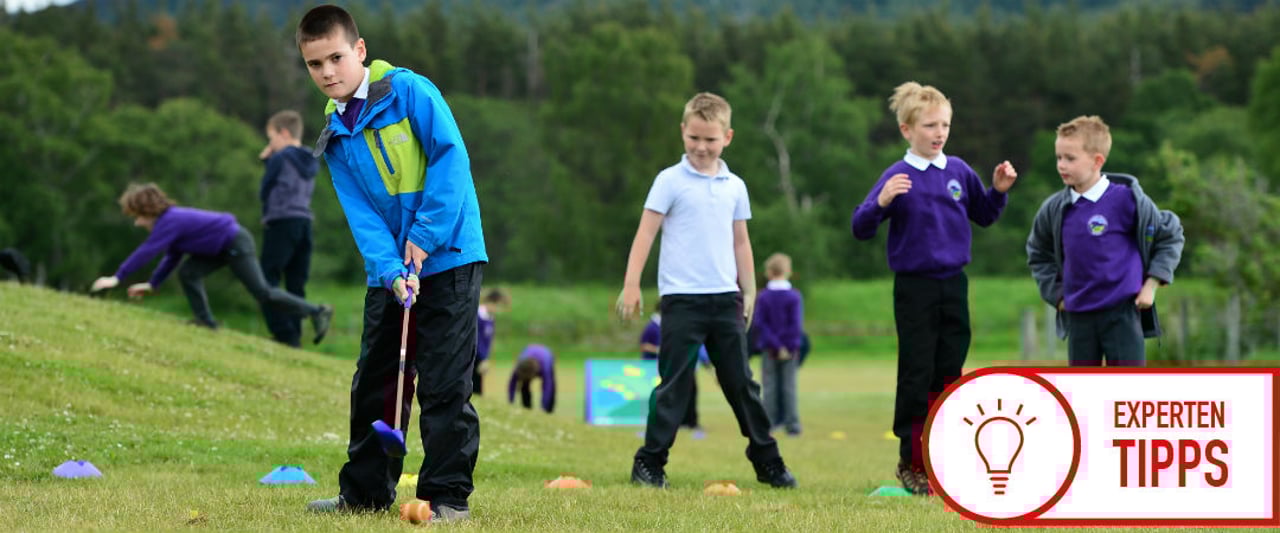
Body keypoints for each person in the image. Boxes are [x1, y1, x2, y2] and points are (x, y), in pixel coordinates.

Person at [296, 5, 487, 522]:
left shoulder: (410, 93)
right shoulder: (334, 132)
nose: (328, 72)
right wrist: (389, 269)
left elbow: (452, 162)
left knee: (445, 383)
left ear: (358, 50)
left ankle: (446, 497)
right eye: (315, 65)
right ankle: (364, 493)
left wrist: (423, 239)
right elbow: (361, 215)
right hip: (392, 272)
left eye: (335, 57)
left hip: (448, 257)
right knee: (377, 380)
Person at [616, 92, 796, 490]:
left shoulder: (735, 186)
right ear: (683, 131)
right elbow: (646, 233)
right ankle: (649, 464)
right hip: (681, 301)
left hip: (725, 300)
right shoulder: (669, 181)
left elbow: (741, 243)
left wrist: (749, 292)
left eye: (710, 139)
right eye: (694, 137)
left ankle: (769, 462)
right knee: (674, 385)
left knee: (741, 386)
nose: (701, 147)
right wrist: (632, 284)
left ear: (727, 137)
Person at [850, 81, 1018, 495]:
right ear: (907, 130)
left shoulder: (959, 171)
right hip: (915, 289)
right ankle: (912, 462)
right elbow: (860, 227)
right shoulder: (898, 175)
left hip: (954, 286)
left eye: (944, 125)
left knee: (950, 374)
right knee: (916, 373)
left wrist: (997, 191)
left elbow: (983, 214)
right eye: (929, 125)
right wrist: (881, 202)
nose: (939, 133)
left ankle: (945, 459)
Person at [1027, 115, 1184, 367]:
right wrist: (1058, 296)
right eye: (1059, 157)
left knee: (1126, 394)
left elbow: (1171, 233)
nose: (1061, 165)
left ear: (1097, 160)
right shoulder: (1053, 209)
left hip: (1122, 313)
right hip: (1078, 315)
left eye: (1070, 158)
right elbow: (1038, 254)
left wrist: (1151, 285)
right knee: (1082, 396)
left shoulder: (1127, 200)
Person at [89, 183, 334, 340]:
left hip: (235, 242)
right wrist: (153, 284)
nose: (137, 223)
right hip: (218, 247)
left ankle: (317, 311)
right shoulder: (169, 223)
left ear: (147, 210)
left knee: (263, 293)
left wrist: (117, 277)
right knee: (188, 272)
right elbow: (171, 256)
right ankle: (206, 322)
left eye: (137, 217)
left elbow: (147, 251)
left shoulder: (169, 221)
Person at [258, 110, 319, 348]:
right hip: (304, 223)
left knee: (265, 280)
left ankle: (283, 333)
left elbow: (267, 190)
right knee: (296, 282)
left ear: (283, 133)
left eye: (271, 138)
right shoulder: (311, 159)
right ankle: (294, 335)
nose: (270, 144)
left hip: (281, 221)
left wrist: (266, 160)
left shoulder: (280, 158)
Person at [753, 253, 804, 437]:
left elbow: (760, 323)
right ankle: (792, 425)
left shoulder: (764, 296)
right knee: (789, 386)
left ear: (769, 272)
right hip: (790, 348)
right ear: (787, 271)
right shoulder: (794, 296)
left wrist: (775, 344)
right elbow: (795, 325)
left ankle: (769, 423)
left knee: (769, 386)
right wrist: (786, 346)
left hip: (769, 347)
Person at [639, 304, 707, 435]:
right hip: (662, 365)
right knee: (669, 393)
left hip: (683, 363)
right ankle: (666, 422)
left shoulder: (676, 323)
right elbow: (644, 345)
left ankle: (689, 421)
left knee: (690, 391)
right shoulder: (653, 326)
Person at [475, 287, 511, 396]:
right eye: (499, 306)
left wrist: (486, 359)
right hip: (474, 357)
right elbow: (476, 339)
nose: (499, 310)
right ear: (492, 302)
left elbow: (488, 340)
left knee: (478, 388)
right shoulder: (477, 315)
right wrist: (482, 358)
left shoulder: (491, 318)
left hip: (482, 359)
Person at [507, 343, 555, 413]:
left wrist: (544, 407)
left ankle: (548, 410)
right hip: (528, 354)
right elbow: (512, 383)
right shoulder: (519, 365)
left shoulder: (545, 366)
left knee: (552, 387)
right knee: (524, 386)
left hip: (546, 354)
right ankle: (527, 409)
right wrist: (511, 402)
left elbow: (547, 387)